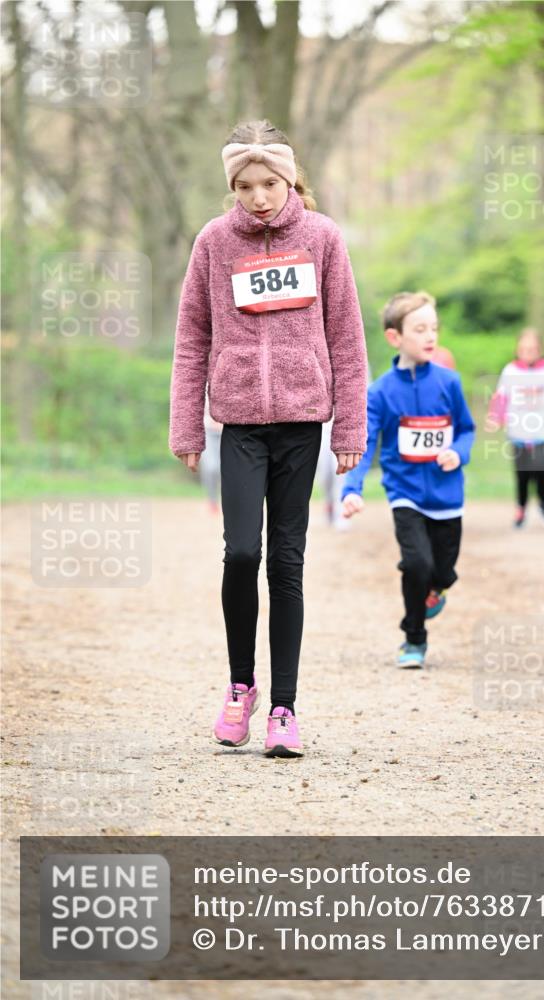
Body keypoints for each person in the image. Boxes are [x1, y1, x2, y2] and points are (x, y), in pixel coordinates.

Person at [169, 119, 368, 757]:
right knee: (240, 554)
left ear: (290, 180)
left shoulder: (323, 237)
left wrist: (350, 425)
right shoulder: (213, 241)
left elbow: (347, 337)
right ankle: (240, 686)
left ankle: (284, 708)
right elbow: (192, 338)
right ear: (232, 188)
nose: (258, 197)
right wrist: (185, 423)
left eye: (270, 184)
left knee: (286, 560)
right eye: (245, 186)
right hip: (239, 425)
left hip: (302, 422)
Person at [341, 291, 475, 669]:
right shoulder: (380, 392)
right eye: (419, 329)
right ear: (394, 337)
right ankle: (414, 638)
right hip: (405, 494)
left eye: (434, 328)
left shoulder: (449, 383)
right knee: (416, 564)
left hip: (448, 496)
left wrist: (458, 453)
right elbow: (365, 443)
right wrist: (352, 488)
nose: (430, 336)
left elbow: (466, 430)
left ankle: (436, 588)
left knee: (442, 572)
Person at [486, 328, 544, 528]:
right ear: (517, 350)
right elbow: (501, 397)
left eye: (532, 349)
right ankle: (521, 510)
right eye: (523, 349)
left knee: (543, 471)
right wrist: (496, 418)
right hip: (518, 431)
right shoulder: (510, 371)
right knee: (522, 473)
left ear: (540, 349)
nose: (527, 353)